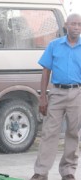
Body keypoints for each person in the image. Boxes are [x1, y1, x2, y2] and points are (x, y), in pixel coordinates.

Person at [30, 13, 81, 180]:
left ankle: (68, 172)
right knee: (49, 133)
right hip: (57, 93)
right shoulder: (54, 45)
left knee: (73, 133)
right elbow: (46, 73)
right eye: (73, 24)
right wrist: (42, 97)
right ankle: (41, 172)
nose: (76, 27)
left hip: (77, 94)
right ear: (66, 25)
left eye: (79, 24)